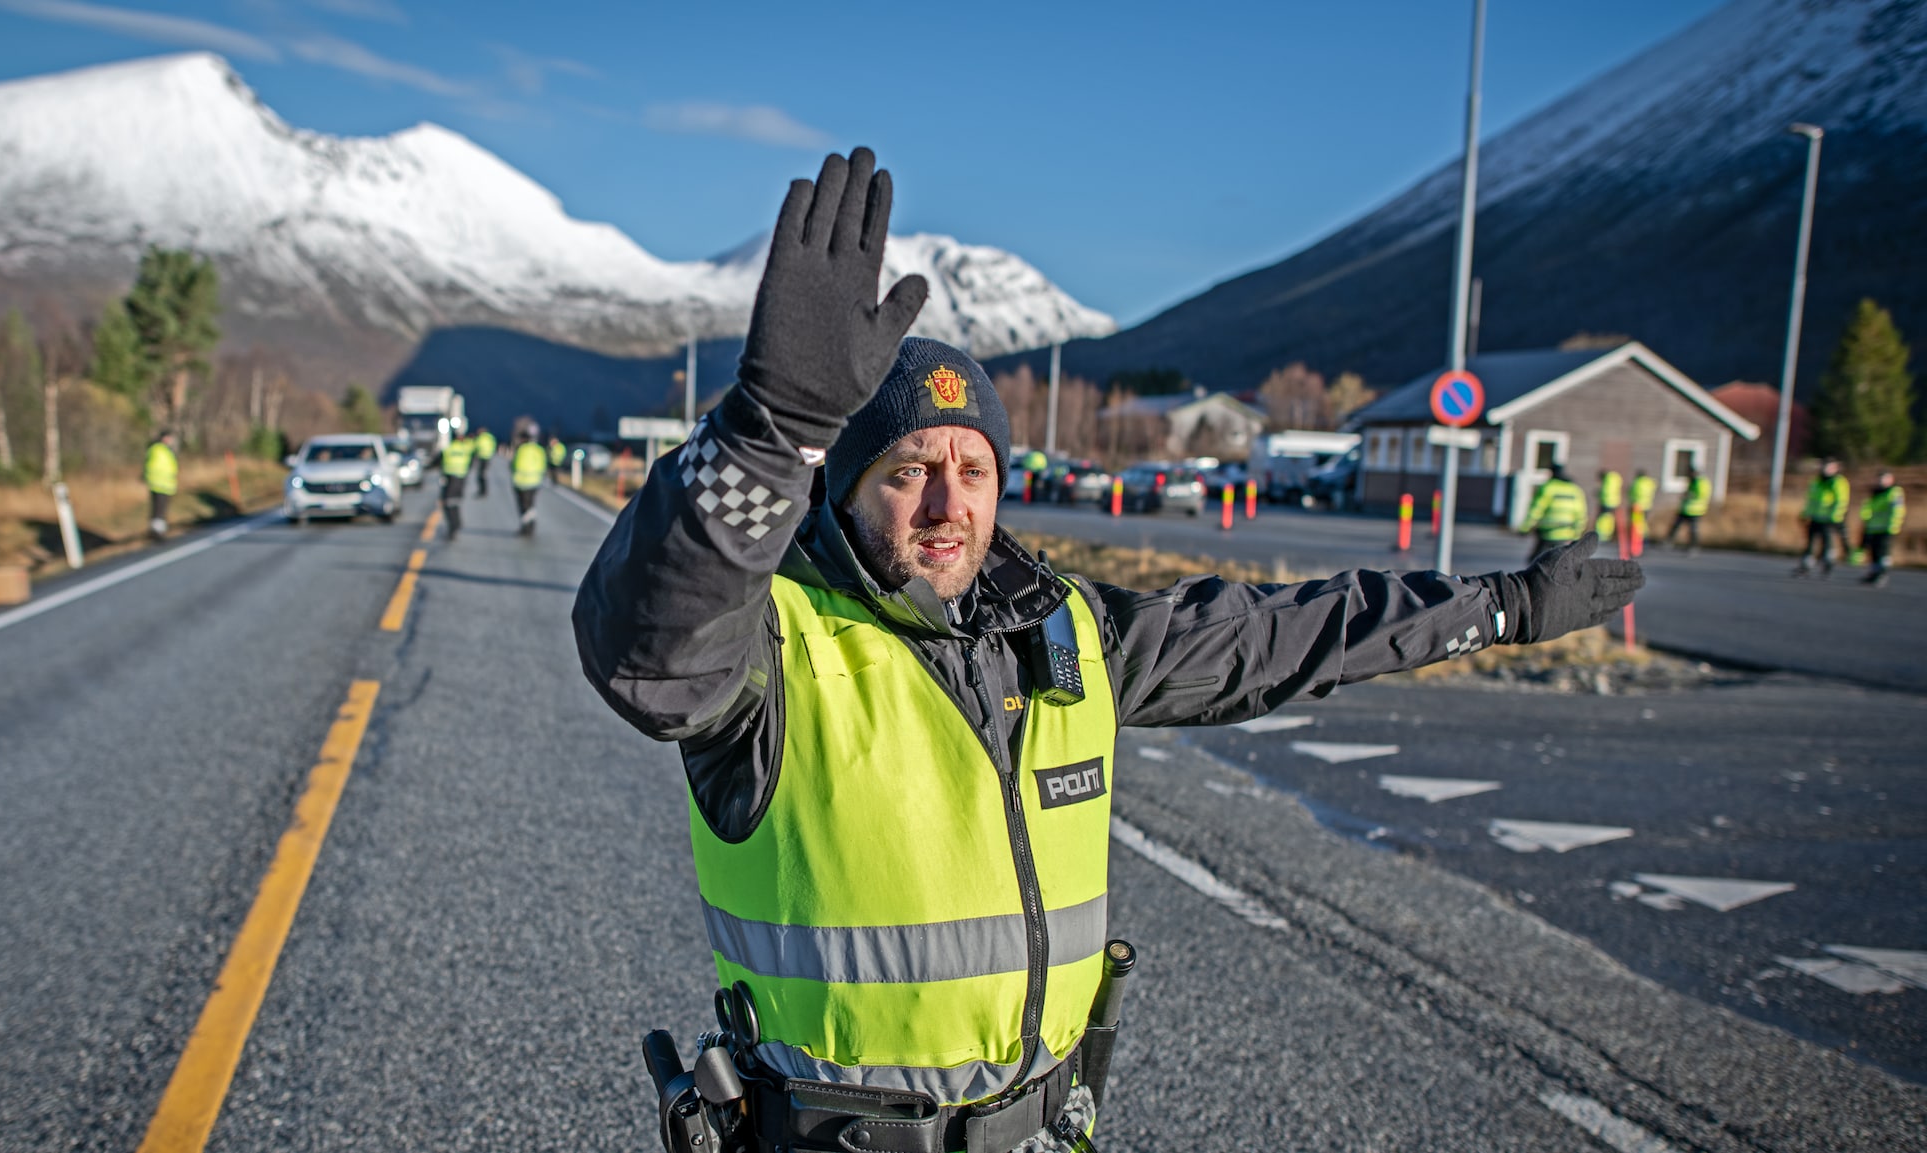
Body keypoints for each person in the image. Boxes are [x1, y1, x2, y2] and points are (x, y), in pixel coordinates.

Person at [573, 148, 1644, 1153]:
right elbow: (651, 648)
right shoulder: (775, 647)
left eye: (974, 469)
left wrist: (1498, 606)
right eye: (907, 470)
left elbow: (1284, 635)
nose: (948, 503)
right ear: (843, 488)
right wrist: (766, 427)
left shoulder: (1066, 630)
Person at [1517, 463, 1589, 563]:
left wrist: (1524, 528)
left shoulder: (1547, 488)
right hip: (1566, 534)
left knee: (1536, 563)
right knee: (1560, 563)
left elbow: (1535, 511)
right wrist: (1576, 535)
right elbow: (1581, 515)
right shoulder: (1575, 490)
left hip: (1547, 534)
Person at [1798, 458, 1850, 576]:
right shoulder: (1817, 481)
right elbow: (1811, 500)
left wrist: (1835, 516)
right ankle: (1806, 564)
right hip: (1815, 517)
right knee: (1810, 541)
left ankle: (1827, 563)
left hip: (1828, 518)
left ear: (1836, 468)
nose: (1826, 469)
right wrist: (1805, 513)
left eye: (1829, 466)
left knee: (1827, 542)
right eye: (1824, 466)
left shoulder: (1838, 482)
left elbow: (1841, 500)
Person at [1859, 470, 1905, 587]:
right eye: (1879, 479)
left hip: (1887, 528)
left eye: (1884, 479)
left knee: (1882, 553)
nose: (1881, 481)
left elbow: (1897, 511)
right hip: (1873, 527)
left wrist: (1893, 525)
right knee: (1873, 552)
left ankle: (1882, 574)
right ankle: (1874, 573)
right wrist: (1866, 518)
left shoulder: (1894, 493)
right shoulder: (1876, 493)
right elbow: (1868, 507)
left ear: (1891, 480)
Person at [509, 421, 548, 537]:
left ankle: (526, 528)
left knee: (524, 506)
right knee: (530, 505)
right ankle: (530, 526)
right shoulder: (539, 450)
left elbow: (514, 465)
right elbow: (543, 465)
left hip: (521, 482)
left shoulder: (521, 449)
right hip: (535, 482)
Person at [437, 427, 476, 541]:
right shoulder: (466, 448)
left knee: (448, 503)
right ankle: (456, 523)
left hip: (449, 479)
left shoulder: (448, 448)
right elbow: (471, 461)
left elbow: (438, 460)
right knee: (455, 502)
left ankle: (453, 526)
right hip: (461, 479)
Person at [143, 429, 179, 542]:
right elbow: (156, 466)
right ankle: (157, 532)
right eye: (169, 438)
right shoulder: (159, 450)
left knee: (160, 509)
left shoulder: (163, 450)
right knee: (159, 509)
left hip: (164, 484)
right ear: (164, 438)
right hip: (160, 484)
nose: (171, 440)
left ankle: (159, 530)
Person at [1666, 462, 1709, 553]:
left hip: (1695, 510)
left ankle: (1693, 546)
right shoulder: (1692, 482)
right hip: (1686, 509)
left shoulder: (1701, 483)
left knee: (1693, 529)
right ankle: (1669, 542)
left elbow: (1700, 495)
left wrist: (1688, 495)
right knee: (1676, 525)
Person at [1628, 470, 1657, 555]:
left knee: (1637, 525)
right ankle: (1645, 539)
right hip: (1647, 505)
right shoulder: (1650, 482)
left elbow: (1632, 493)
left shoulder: (1638, 483)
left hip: (1638, 507)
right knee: (1643, 523)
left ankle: (1637, 545)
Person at [1595, 467, 1624, 545]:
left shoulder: (1607, 480)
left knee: (1603, 518)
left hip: (1606, 502)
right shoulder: (1615, 478)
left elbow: (1605, 492)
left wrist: (1598, 494)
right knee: (1610, 518)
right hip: (1615, 502)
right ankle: (1608, 534)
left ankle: (1601, 535)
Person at [474, 425, 498, 498]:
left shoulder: (481, 438)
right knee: (482, 474)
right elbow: (494, 446)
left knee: (481, 475)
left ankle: (483, 491)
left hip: (482, 457)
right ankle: (483, 491)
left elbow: (476, 446)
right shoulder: (490, 437)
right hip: (487, 457)